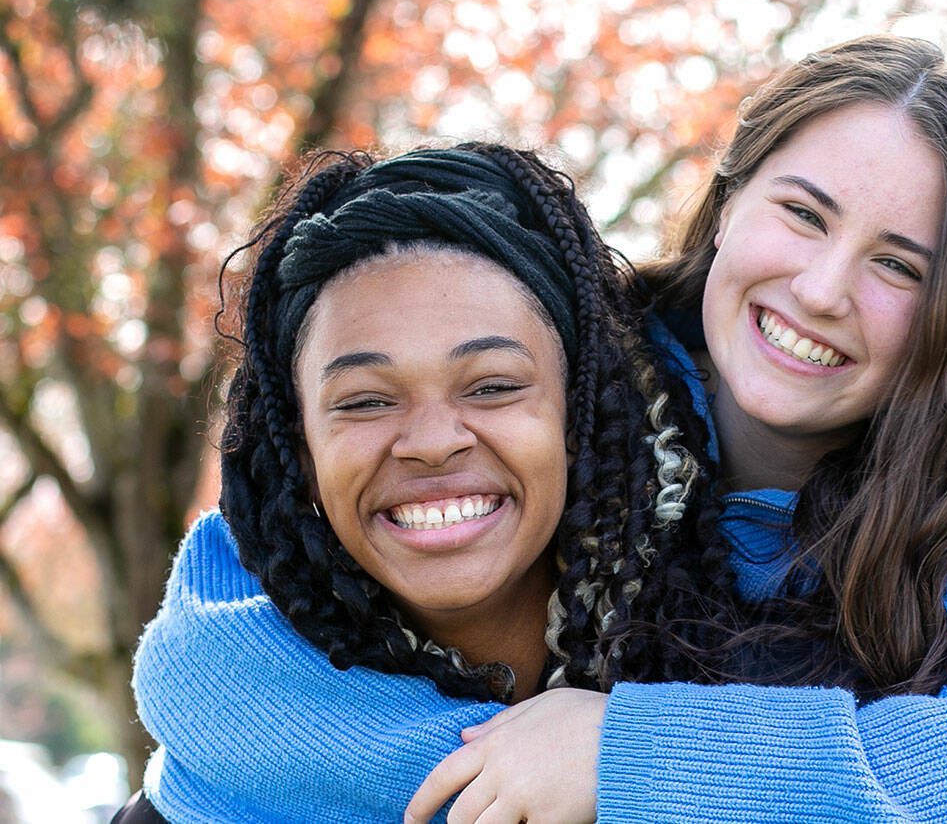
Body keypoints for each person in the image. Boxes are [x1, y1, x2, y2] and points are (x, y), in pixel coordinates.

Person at [131, 35, 947, 822]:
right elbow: (211, 671)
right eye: (802, 214)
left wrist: (624, 755)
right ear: (727, 203)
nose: (821, 289)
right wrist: (510, 778)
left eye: (900, 265)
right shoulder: (558, 374)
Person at [118, 143, 737, 822]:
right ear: (303, 450)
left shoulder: (760, 683)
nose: (434, 442)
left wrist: (635, 756)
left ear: (580, 416)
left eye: (493, 386)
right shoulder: (202, 799)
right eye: (365, 400)